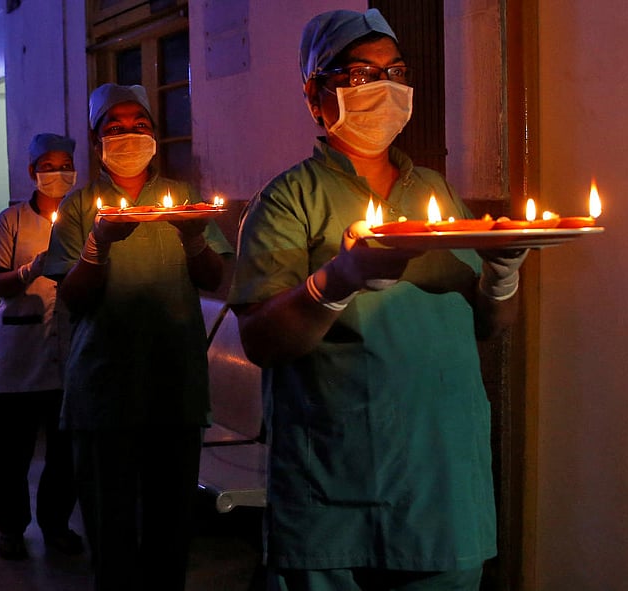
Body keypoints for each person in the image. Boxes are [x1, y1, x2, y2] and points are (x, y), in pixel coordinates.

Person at [226, 10, 528, 590]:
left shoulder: (435, 192)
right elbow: (261, 341)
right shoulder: (290, 199)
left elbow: (490, 326)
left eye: (395, 72)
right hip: (336, 479)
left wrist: (501, 277)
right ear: (317, 94)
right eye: (361, 74)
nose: (384, 88)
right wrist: (337, 279)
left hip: (443, 476)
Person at [44, 83, 234, 590]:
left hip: (175, 382)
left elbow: (215, 279)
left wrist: (194, 239)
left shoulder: (185, 197)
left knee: (171, 528)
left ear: (155, 133)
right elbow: (75, 299)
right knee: (111, 530)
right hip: (104, 386)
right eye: (115, 128)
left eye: (140, 126)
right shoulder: (80, 207)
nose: (129, 135)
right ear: (96, 138)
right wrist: (97, 247)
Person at [0, 133, 82, 560]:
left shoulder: (83, 217)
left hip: (68, 350)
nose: (58, 174)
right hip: (19, 353)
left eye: (65, 165)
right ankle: (10, 529)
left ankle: (56, 525)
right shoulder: (12, 221)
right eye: (48, 166)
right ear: (31, 172)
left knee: (65, 454)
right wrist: (31, 269)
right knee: (12, 453)